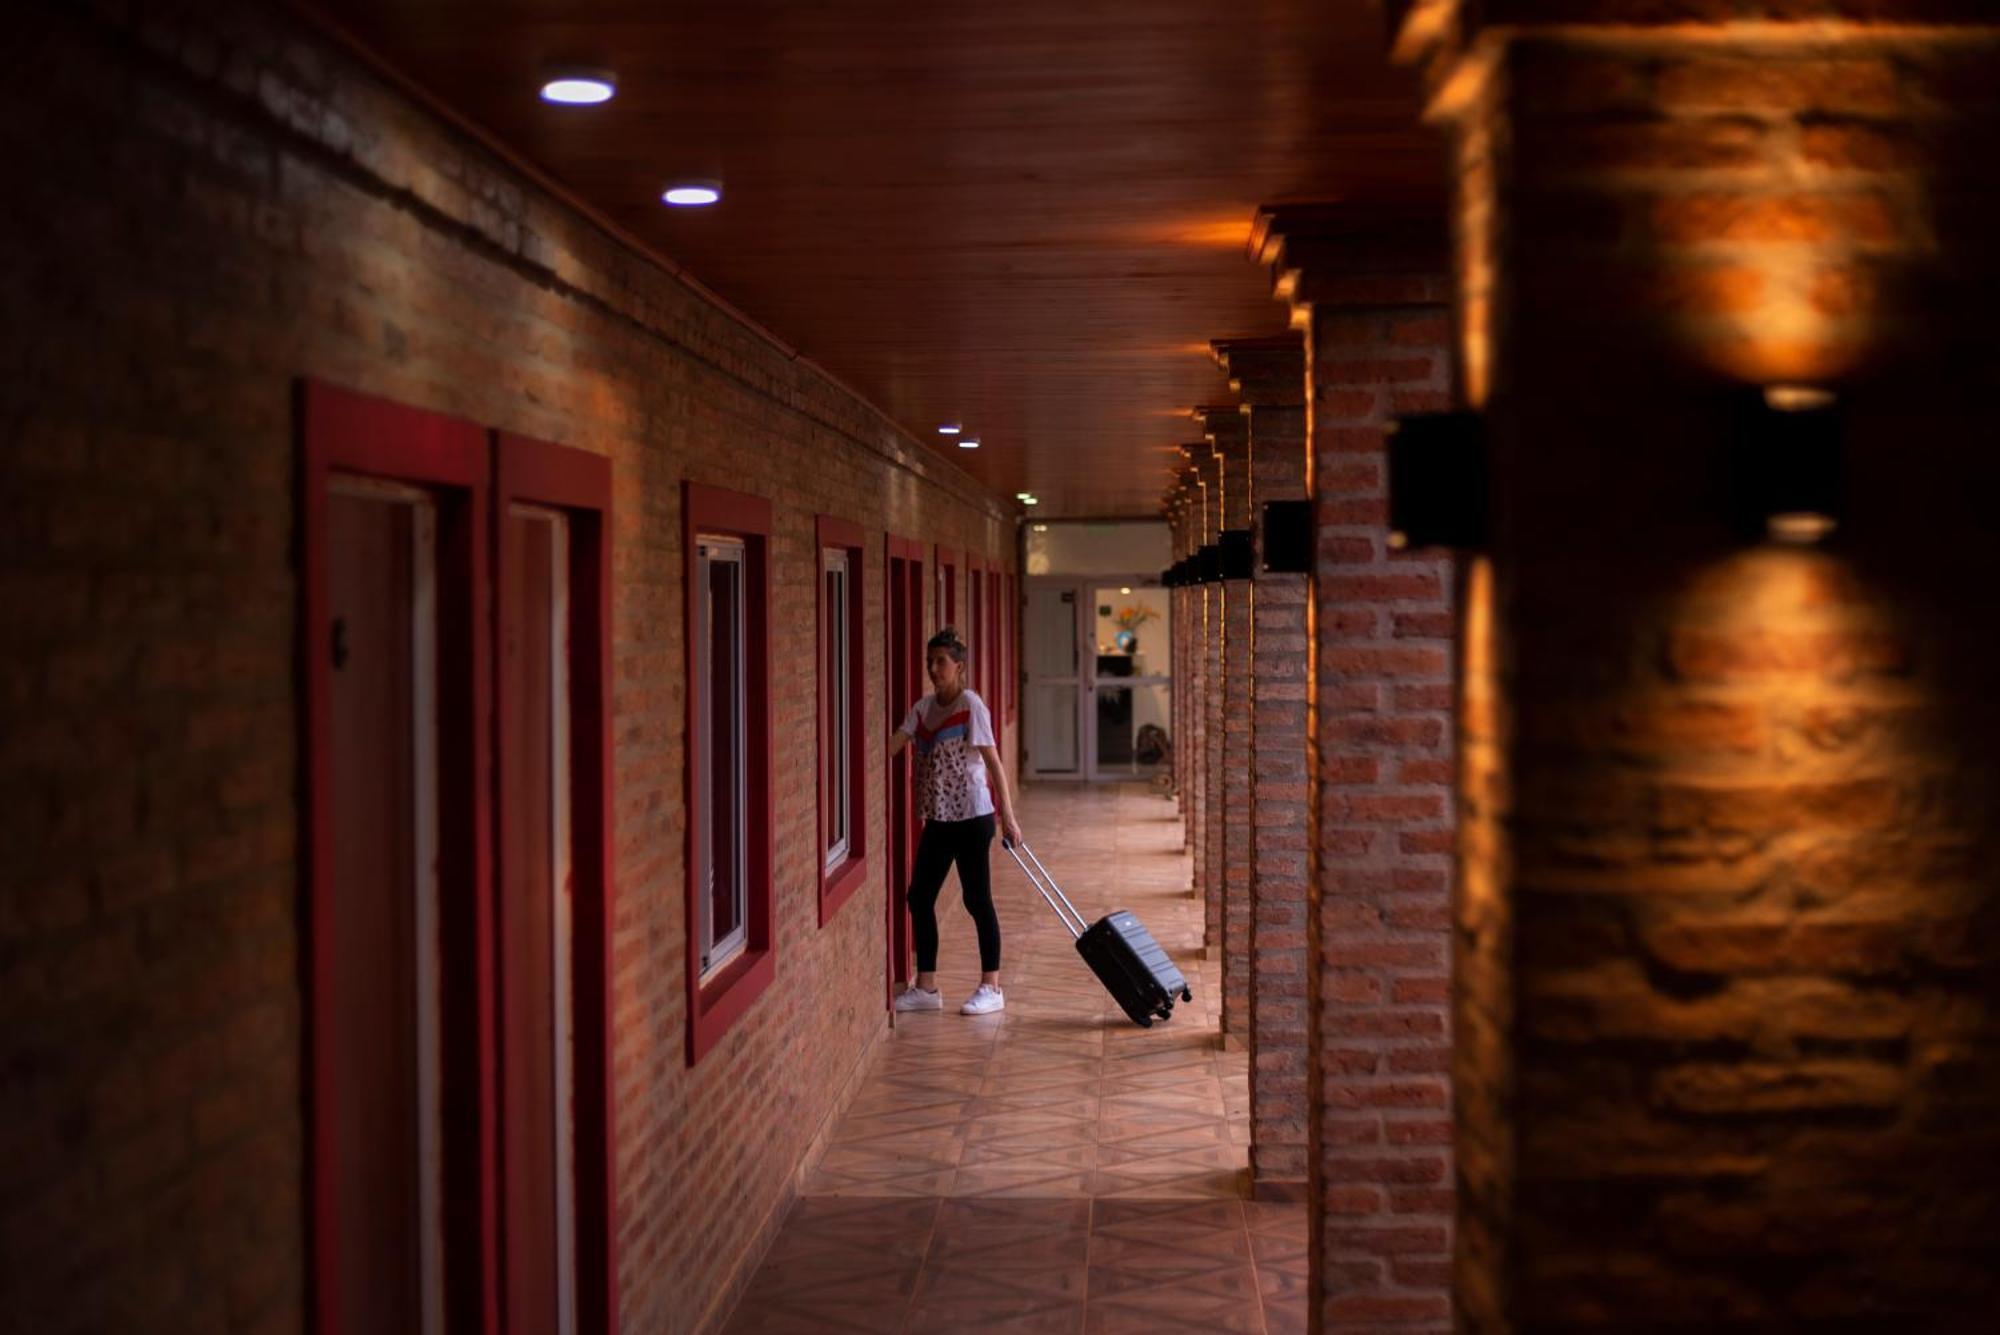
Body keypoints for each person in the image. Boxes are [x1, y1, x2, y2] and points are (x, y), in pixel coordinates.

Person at [888, 626, 1024, 1015]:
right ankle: (926, 988)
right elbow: (894, 744)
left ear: (959, 666)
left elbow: (993, 761)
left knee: (976, 899)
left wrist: (1008, 818)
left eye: (941, 662)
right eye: (929, 662)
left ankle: (991, 987)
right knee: (920, 897)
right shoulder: (923, 708)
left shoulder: (971, 705)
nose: (933, 668)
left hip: (973, 817)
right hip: (939, 818)